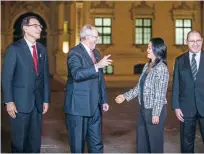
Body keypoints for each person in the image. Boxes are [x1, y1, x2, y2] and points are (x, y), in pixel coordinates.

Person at [1, 16, 50, 153]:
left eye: (40, 26)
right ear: (25, 28)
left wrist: (46, 99)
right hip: (19, 104)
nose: (39, 28)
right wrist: (9, 101)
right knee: (19, 143)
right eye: (35, 25)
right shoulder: (14, 49)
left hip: (37, 104)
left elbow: (45, 76)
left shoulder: (42, 49)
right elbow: (6, 78)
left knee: (35, 143)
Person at [172, 30, 204, 153]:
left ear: (202, 40)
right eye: (192, 41)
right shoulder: (180, 60)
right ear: (186, 42)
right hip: (186, 108)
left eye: (198, 40)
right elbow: (176, 85)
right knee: (186, 145)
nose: (195, 44)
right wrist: (176, 106)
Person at [115, 38, 169, 153]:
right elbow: (139, 87)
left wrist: (156, 113)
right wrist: (124, 96)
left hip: (155, 111)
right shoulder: (147, 66)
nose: (147, 50)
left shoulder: (162, 68)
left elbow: (160, 93)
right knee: (142, 145)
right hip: (143, 110)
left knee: (155, 147)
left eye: (149, 47)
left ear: (157, 49)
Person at [64, 24, 112, 153]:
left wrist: (103, 100)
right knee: (78, 146)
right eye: (96, 37)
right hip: (78, 108)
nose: (97, 39)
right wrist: (97, 66)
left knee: (97, 144)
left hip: (94, 107)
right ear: (86, 37)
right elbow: (77, 74)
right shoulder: (74, 52)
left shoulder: (96, 52)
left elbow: (99, 78)